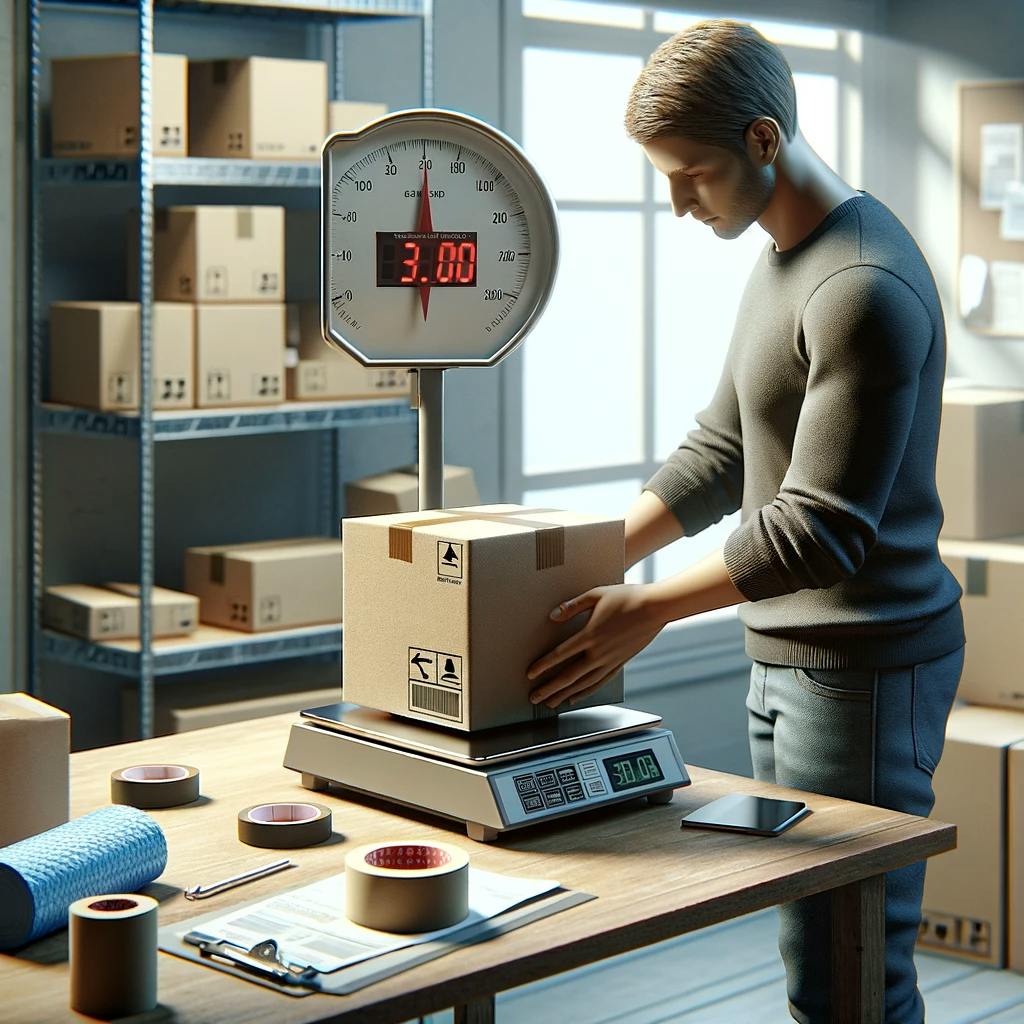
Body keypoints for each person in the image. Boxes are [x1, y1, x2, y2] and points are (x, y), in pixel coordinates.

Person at [525, 19, 965, 1024]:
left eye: (693, 177)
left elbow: (819, 527)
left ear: (764, 139)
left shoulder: (861, 283)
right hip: (792, 657)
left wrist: (641, 611)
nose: (678, 204)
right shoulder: (780, 261)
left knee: (849, 971)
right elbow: (721, 453)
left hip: (861, 669)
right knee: (807, 947)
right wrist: (588, 559)